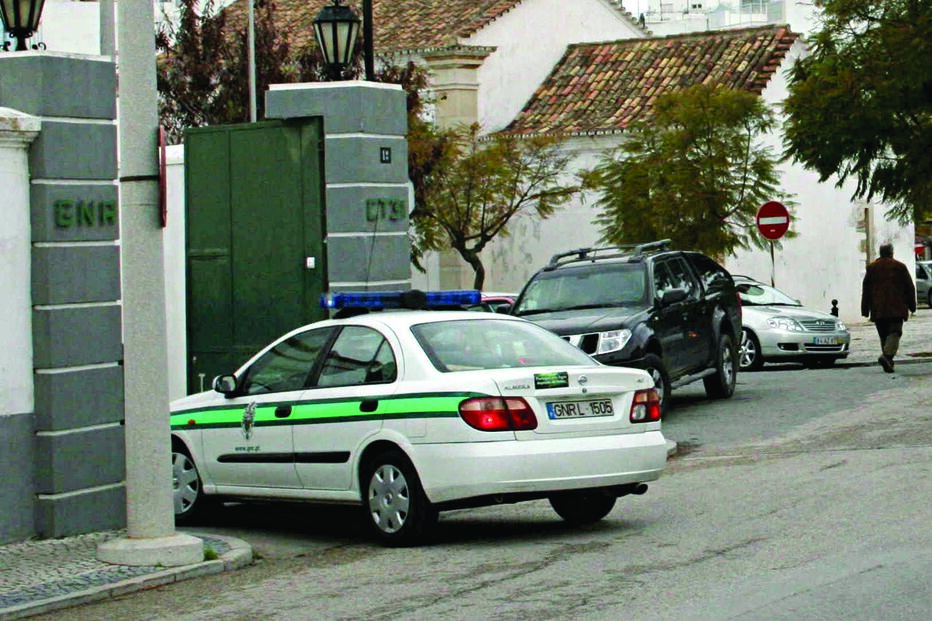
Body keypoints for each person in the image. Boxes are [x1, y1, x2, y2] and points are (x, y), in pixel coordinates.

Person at [861, 243, 916, 372]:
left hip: (878, 309)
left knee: (884, 335)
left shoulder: (872, 268)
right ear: (892, 252)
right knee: (895, 333)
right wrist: (912, 306)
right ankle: (886, 357)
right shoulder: (899, 267)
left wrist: (865, 309)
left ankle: (888, 362)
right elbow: (909, 287)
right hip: (896, 308)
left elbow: (866, 290)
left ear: (880, 253)